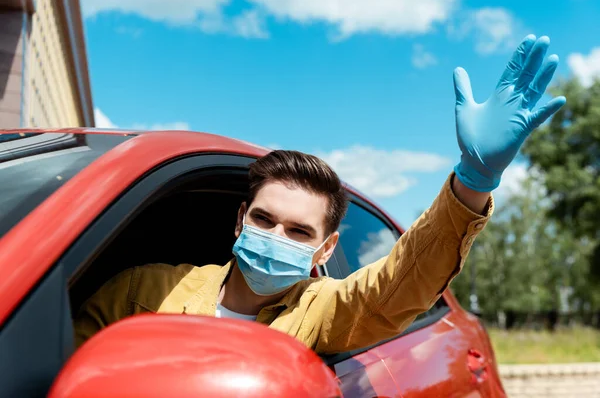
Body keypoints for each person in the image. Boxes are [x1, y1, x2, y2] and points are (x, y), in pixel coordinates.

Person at [73, 34, 566, 354]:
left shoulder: (321, 311)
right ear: (240, 219)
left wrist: (474, 179)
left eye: (299, 231)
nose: (275, 236)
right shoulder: (143, 291)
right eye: (264, 220)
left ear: (325, 249)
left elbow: (398, 284)